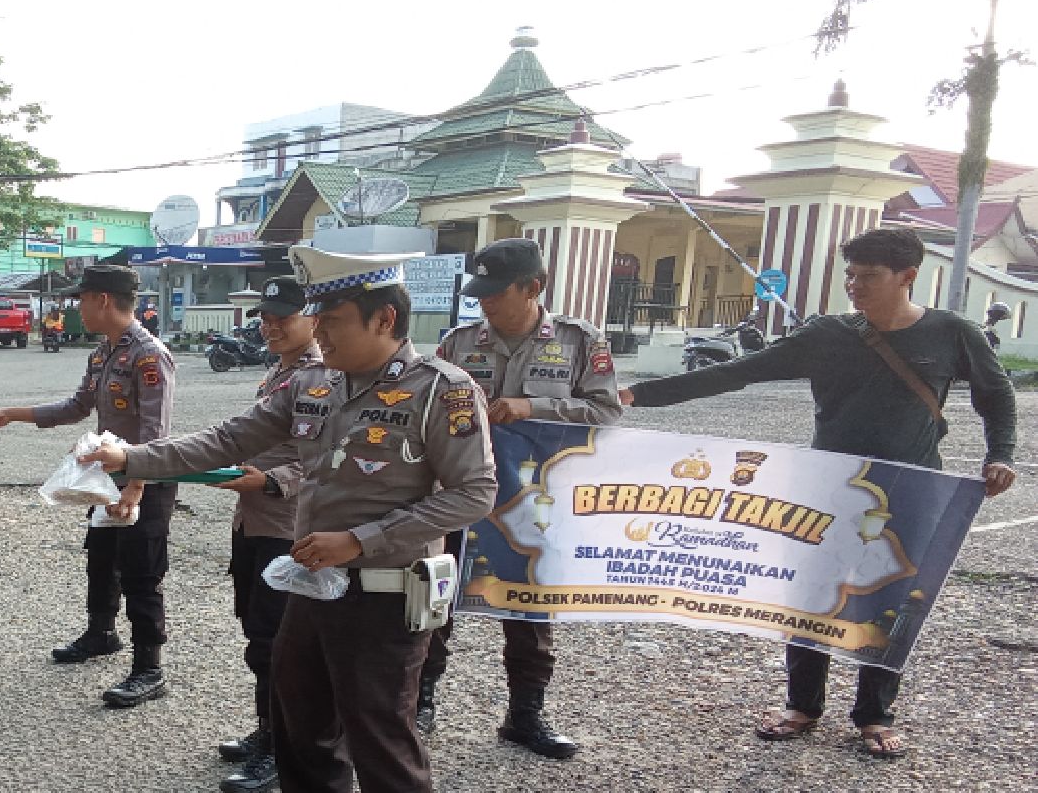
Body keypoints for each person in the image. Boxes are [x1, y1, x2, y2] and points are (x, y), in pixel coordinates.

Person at [82, 247, 496, 793]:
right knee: (298, 716)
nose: (322, 335)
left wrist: (359, 539)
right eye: (321, 322)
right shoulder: (317, 382)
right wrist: (132, 459)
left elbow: (472, 496)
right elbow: (230, 439)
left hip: (387, 588)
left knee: (384, 749)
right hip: (316, 584)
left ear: (386, 319)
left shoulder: (443, 390)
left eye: (334, 322)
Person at [620, 227, 1019, 757]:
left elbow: (997, 395)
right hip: (829, 487)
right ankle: (802, 705)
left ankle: (875, 715)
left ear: (907, 277)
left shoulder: (951, 333)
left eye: (868, 277)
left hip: (913, 486)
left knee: (892, 598)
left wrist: (1001, 454)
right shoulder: (827, 334)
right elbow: (737, 373)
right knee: (811, 596)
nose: (854, 285)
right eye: (849, 275)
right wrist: (632, 394)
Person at [425, 237, 624, 756]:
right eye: (479, 292)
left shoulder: (581, 342)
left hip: (535, 498)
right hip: (459, 493)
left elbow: (605, 413)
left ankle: (525, 715)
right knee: (435, 593)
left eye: (496, 291)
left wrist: (528, 407)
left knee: (530, 599)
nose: (484, 303)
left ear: (534, 287)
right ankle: (420, 705)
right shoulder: (459, 342)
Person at [0, 264, 178, 707]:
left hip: (143, 480)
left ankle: (150, 668)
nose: (76, 308)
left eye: (81, 299)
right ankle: (101, 634)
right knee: (102, 560)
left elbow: (155, 431)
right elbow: (77, 406)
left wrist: (135, 489)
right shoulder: (102, 353)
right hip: (107, 476)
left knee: (142, 574)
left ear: (103, 300)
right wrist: (12, 413)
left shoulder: (149, 354)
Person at [213, 275, 317, 793]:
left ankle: (284, 748)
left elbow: (327, 459)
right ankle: (268, 729)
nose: (269, 324)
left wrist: (272, 480)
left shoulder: (323, 375)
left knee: (280, 641)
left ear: (314, 318)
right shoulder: (279, 369)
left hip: (287, 526)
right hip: (252, 519)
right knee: (258, 634)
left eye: (283, 316)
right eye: (265, 316)